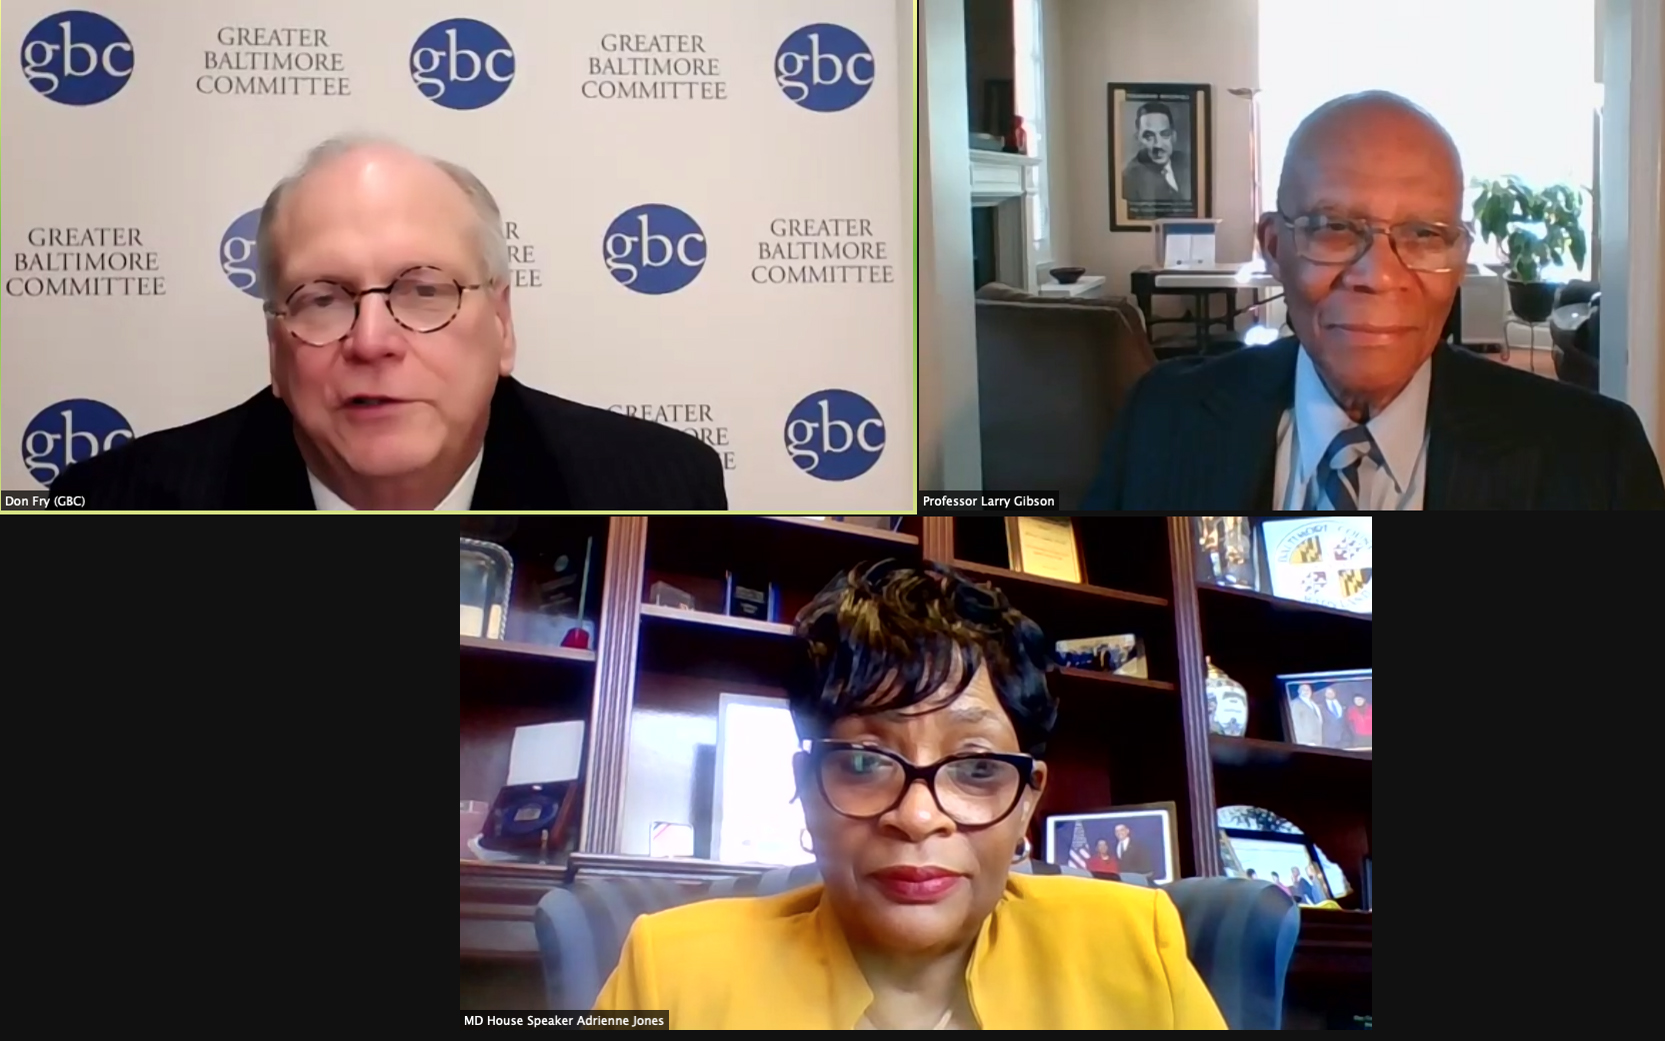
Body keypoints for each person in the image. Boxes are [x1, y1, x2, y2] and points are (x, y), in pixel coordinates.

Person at [593, 560, 1227, 1029]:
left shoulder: (1134, 943)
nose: (917, 817)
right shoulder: (670, 968)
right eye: (866, 761)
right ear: (806, 790)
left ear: (1029, 799)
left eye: (977, 769)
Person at [49, 134, 728, 511]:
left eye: (424, 290)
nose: (371, 342)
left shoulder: (660, 485)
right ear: (275, 348)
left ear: (501, 323)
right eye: (321, 298)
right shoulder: (108, 501)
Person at [1085, 90, 1665, 511]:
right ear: (1272, 246)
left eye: (1423, 235)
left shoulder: (1595, 459)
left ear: (1459, 257)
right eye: (1333, 226)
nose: (1379, 276)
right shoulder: (1161, 418)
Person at [1122, 102, 1192, 204]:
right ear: (1138, 139)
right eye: (1149, 136)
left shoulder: (1188, 163)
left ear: (1174, 136)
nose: (1158, 145)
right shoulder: (1129, 179)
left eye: (1165, 134)